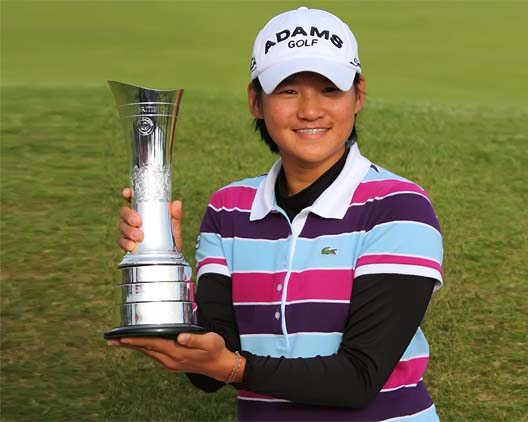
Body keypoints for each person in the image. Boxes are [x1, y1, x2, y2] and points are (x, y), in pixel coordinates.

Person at [109, 6, 444, 421]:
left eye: (329, 90)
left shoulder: (399, 207)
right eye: (287, 90)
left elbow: (358, 379)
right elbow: (208, 372)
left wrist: (234, 368)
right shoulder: (228, 209)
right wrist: (170, 269)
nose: (309, 110)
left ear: (358, 96)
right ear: (256, 100)